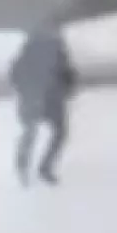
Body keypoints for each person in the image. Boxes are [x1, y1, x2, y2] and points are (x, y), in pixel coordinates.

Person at [8, 16, 79, 186]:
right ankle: (39, 167)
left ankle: (25, 165)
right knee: (53, 132)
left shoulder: (33, 46)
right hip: (46, 97)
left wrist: (23, 90)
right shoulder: (51, 47)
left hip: (40, 96)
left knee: (32, 131)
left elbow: (15, 73)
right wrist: (69, 87)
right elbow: (67, 71)